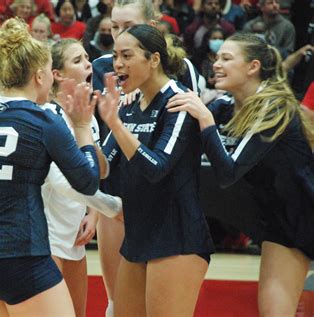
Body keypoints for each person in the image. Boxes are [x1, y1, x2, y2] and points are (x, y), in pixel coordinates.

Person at [0, 18, 100, 316]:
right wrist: (83, 127)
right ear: (39, 75)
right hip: (19, 254)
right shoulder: (44, 120)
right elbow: (87, 183)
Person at [167, 32, 314, 317]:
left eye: (226, 58)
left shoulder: (273, 108)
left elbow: (228, 173)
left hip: (304, 216)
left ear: (253, 67)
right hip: (278, 223)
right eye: (217, 57)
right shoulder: (224, 106)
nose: (216, 64)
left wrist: (205, 121)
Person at [91, 2, 205, 315]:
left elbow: (156, 168)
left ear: (154, 59)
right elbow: (100, 169)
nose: (117, 64)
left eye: (127, 56)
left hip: (177, 233)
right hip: (138, 230)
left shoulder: (179, 101)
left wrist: (115, 123)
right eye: (115, 56)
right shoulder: (126, 107)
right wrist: (78, 127)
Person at [42, 38, 123, 317]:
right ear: (57, 75)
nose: (89, 64)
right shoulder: (48, 116)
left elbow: (98, 171)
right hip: (47, 233)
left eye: (87, 57)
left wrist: (93, 213)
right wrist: (109, 208)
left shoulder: (84, 114)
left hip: (74, 231)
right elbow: (59, 182)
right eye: (77, 60)